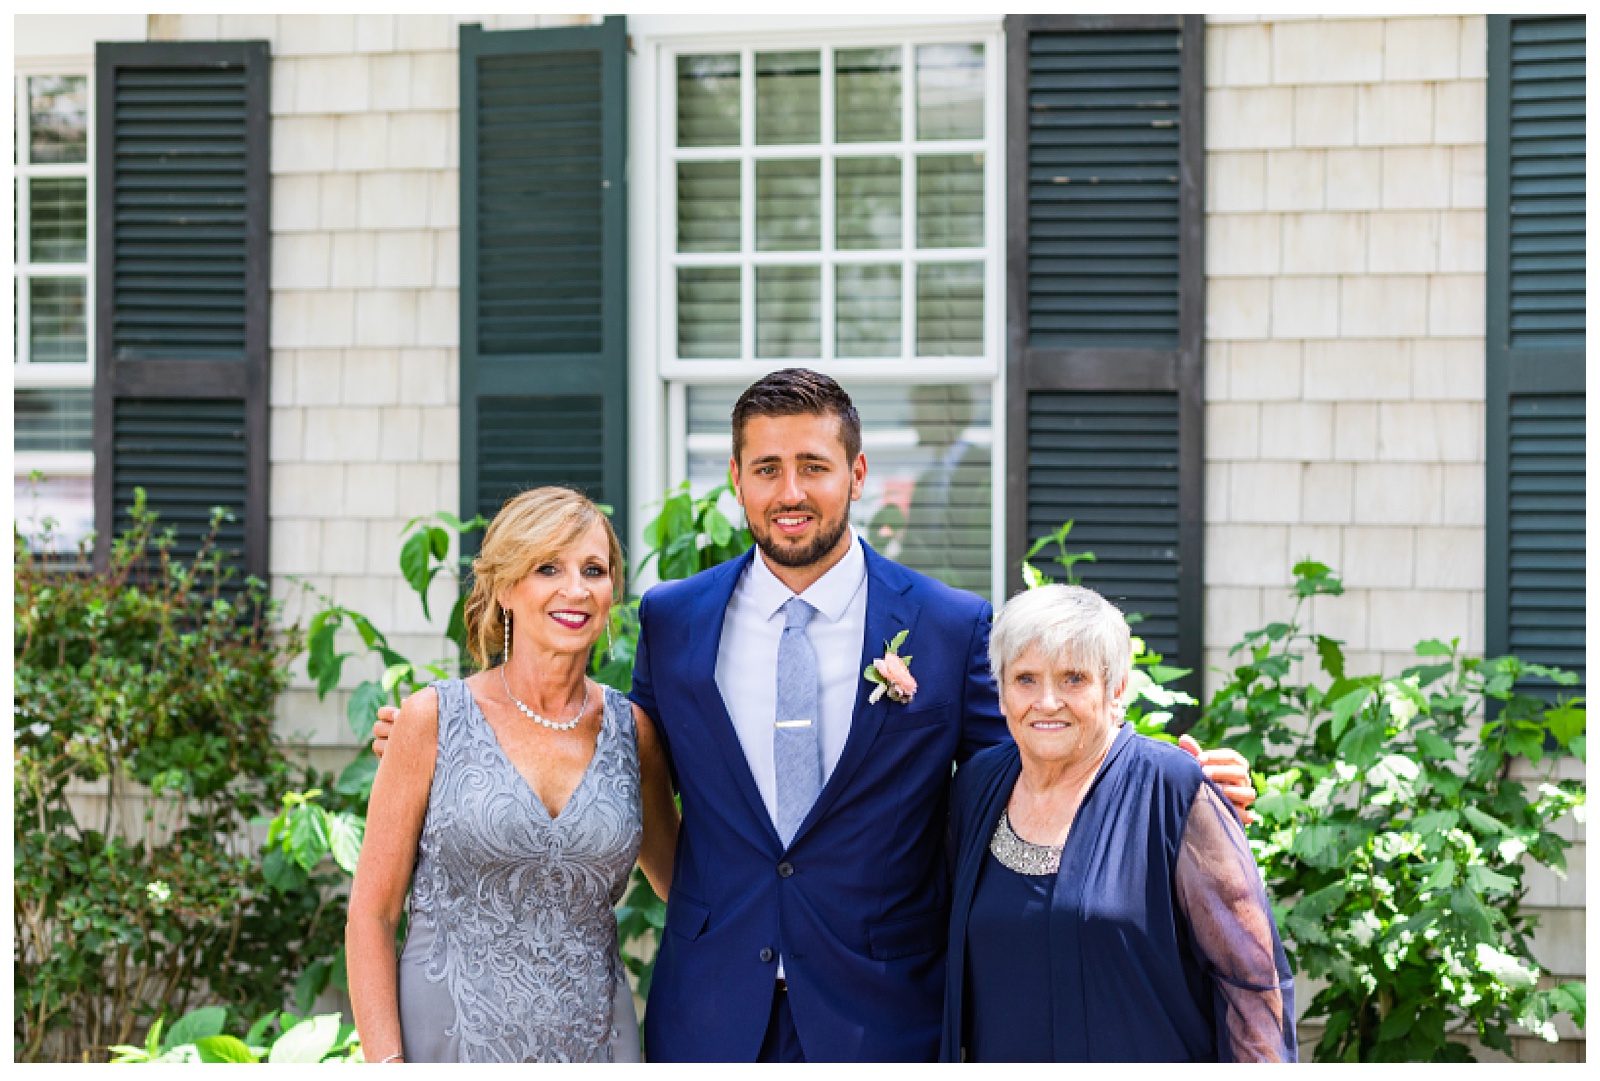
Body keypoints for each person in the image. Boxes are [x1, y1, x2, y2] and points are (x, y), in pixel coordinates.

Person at [373, 369, 1256, 1062]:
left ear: (857, 474)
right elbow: (610, 757)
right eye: (766, 468)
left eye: (813, 466)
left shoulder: (946, 625)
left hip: (886, 1017)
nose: (789, 490)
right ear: (736, 480)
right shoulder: (676, 618)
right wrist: (453, 740)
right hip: (710, 1016)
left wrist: (1158, 776)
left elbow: (1032, 766)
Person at [346, 487, 679, 1063]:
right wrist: (386, 1066)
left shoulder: (634, 731)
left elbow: (685, 885)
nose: (575, 589)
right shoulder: (430, 719)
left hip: (598, 1047)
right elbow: (372, 915)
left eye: (594, 570)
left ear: (611, 594)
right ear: (505, 588)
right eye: (548, 567)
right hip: (446, 1048)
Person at [941, 583, 1296, 1062]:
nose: (1047, 702)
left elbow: (1251, 984)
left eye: (1073, 679)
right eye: (1026, 679)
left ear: (1116, 688)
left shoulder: (1172, 789)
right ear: (1000, 691)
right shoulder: (977, 785)